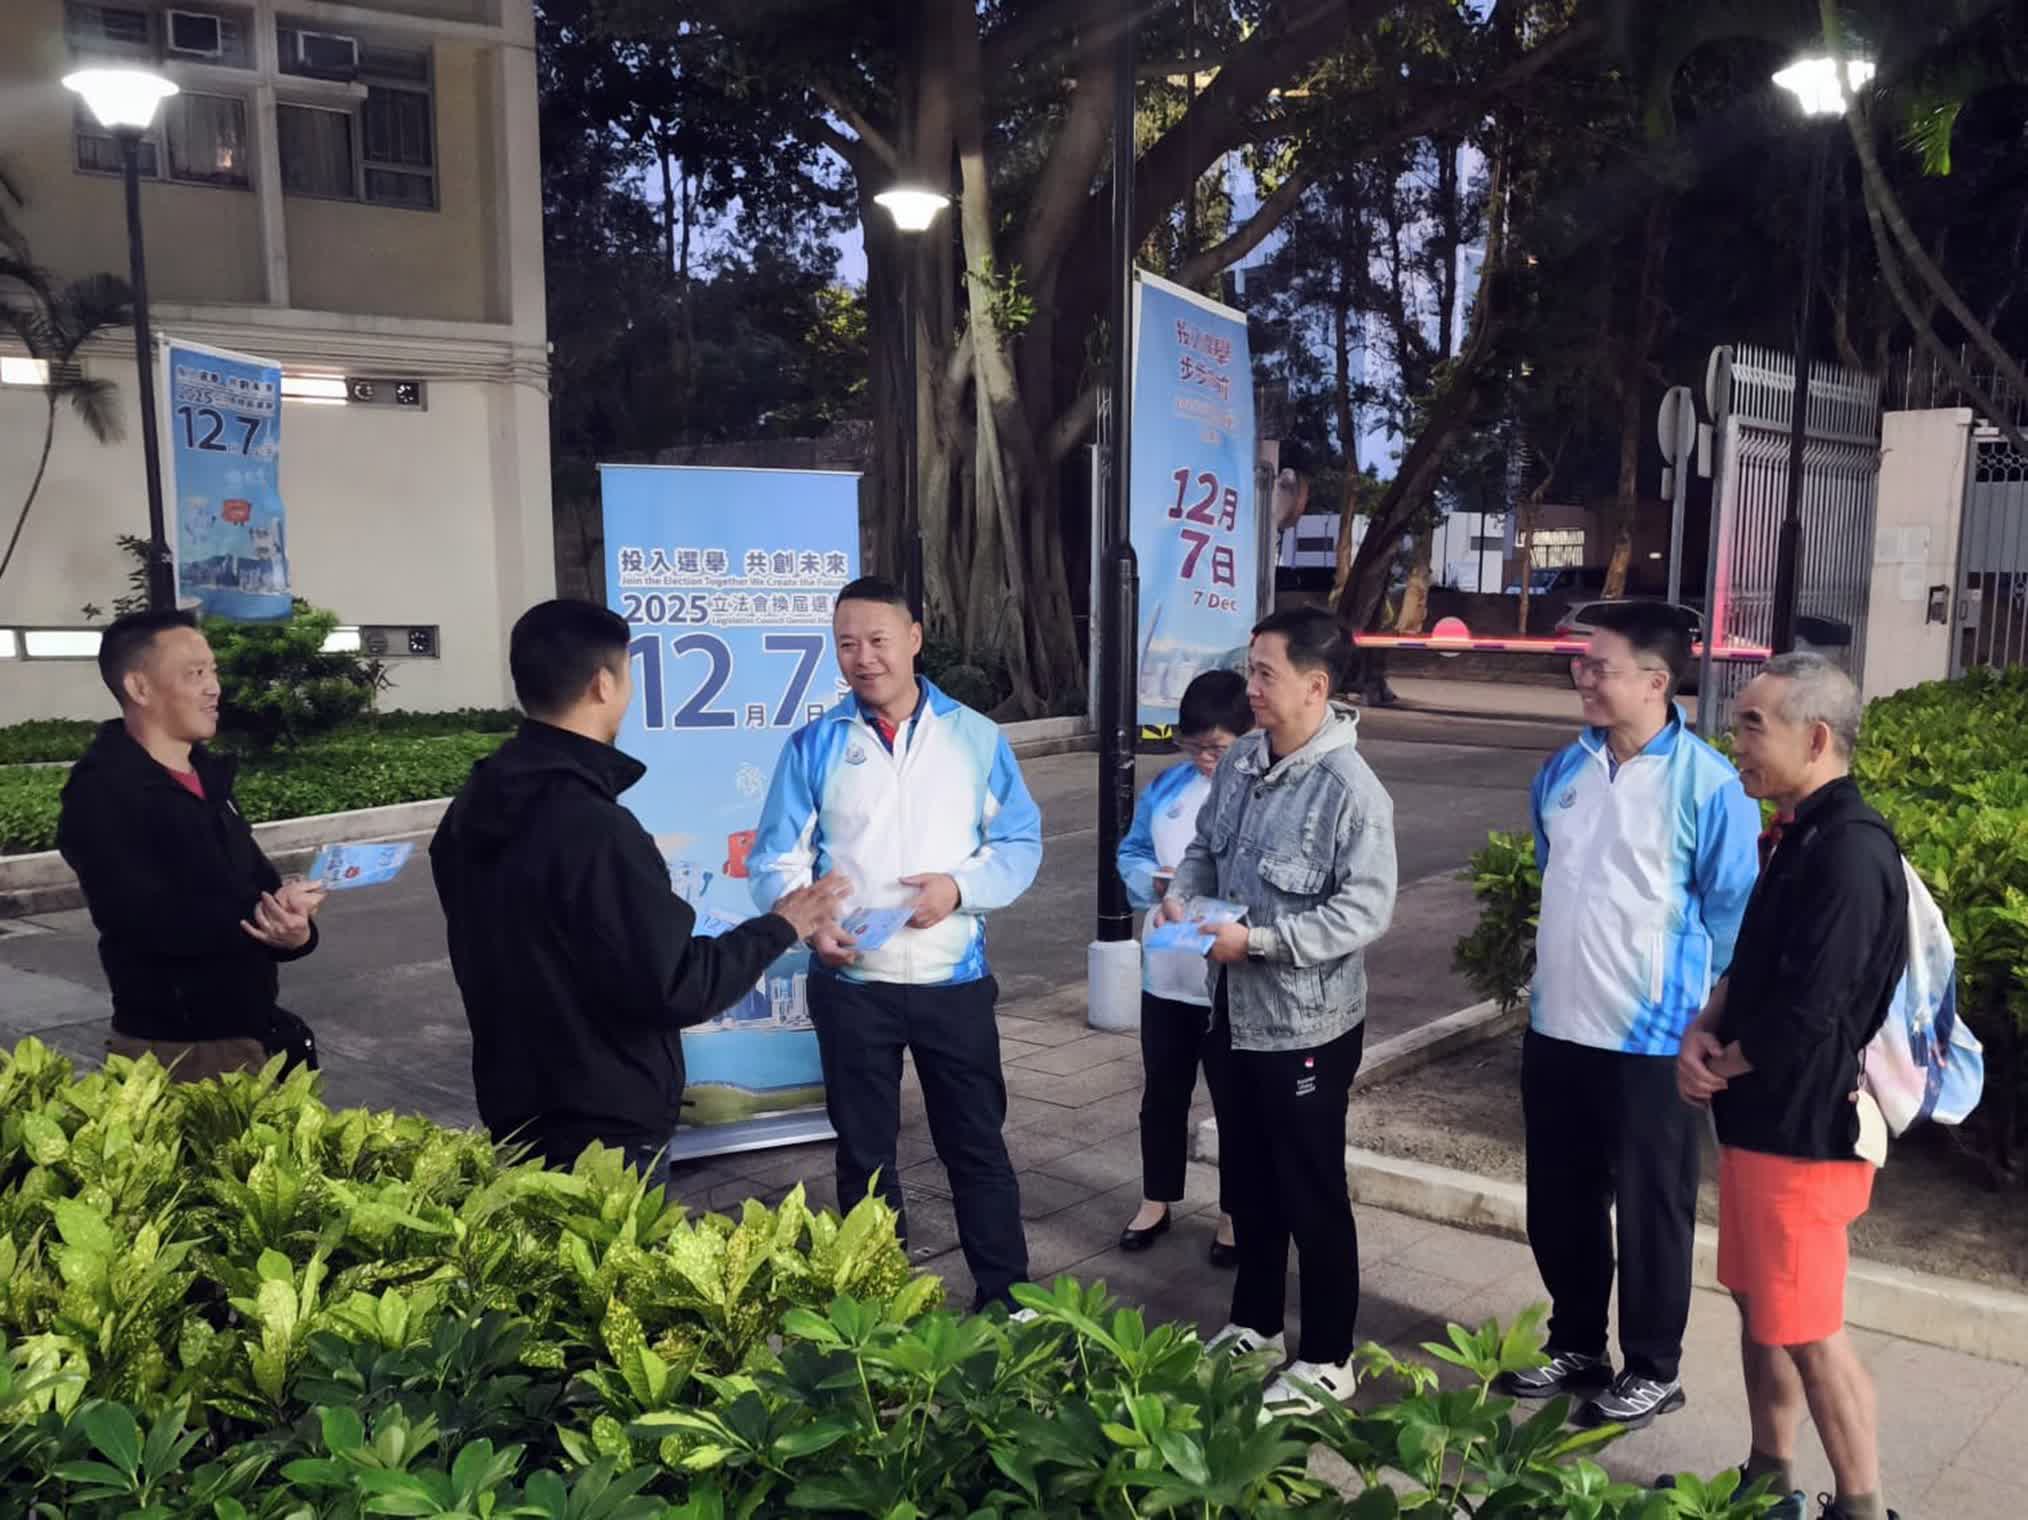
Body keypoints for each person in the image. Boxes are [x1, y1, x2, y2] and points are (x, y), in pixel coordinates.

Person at [430, 599, 848, 1183]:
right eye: (628, 674)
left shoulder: (472, 806)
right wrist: (781, 925)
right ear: (603, 684)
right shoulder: (595, 829)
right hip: (605, 1126)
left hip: (515, 1105)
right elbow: (676, 985)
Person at [1498, 600, 1760, 1429]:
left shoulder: (1710, 785)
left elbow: (1735, 918)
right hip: (1559, 1026)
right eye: (1582, 664)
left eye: (1599, 666)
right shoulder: (1561, 771)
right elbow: (1555, 873)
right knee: (1560, 1201)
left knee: (1652, 1211)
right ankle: (1577, 1342)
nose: (1583, 677)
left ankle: (1654, 1367)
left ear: (1655, 681)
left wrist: (1707, 1026)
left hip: (1655, 1040)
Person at [750, 576, 1043, 1312]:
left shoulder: (975, 738)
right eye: (846, 644)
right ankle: (878, 1305)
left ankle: (1005, 1298)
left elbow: (1018, 842)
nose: (863, 658)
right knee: (864, 1154)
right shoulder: (814, 744)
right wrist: (812, 925)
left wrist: (958, 889)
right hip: (853, 987)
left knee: (976, 1146)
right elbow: (775, 858)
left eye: (878, 640)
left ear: (914, 638)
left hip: (954, 985)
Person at [1677, 654, 1908, 1520]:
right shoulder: (1797, 830)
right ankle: (1767, 1476)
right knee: (1761, 1306)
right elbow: (1754, 965)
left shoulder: (1851, 851)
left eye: (1751, 725)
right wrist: (1703, 1029)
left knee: (1807, 1326)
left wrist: (1720, 1062)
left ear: (1815, 740)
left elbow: (1813, 1010)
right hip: (1759, 1121)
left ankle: (1861, 1505)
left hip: (1806, 1133)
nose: (1733, 741)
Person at [1157, 608, 1397, 1413]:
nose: (1250, 688)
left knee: (1310, 1189)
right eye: (1250, 670)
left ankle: (1328, 1355)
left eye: (1265, 674)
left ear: (1315, 687)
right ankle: (1255, 1324)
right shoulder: (1243, 760)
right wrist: (1185, 896)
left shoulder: (1350, 792)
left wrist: (1257, 942)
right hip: (1232, 1012)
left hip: (1306, 1026)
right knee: (1249, 1177)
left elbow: (1363, 911)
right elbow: (1205, 847)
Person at [56, 608, 326, 1081]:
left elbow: (256, 883)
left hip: (252, 1032)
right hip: (179, 1051)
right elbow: (146, 921)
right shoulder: (102, 793)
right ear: (140, 688)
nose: (213, 687)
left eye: (213, 671)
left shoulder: (207, 777)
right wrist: (261, 916)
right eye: (195, 673)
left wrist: (294, 927)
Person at [1115, 668, 1252, 1262]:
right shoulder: (1168, 788)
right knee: (1163, 1092)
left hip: (1230, 977)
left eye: (1216, 747)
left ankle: (1234, 1212)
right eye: (1193, 746)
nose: (1203, 758)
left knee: (1234, 1100)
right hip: (1166, 971)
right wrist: (1152, 881)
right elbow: (1132, 850)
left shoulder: (1258, 793)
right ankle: (1157, 1198)